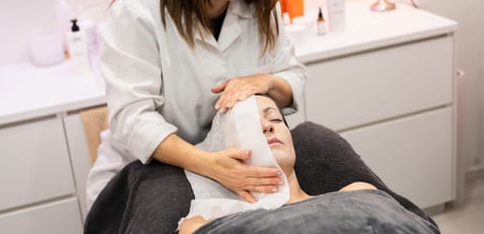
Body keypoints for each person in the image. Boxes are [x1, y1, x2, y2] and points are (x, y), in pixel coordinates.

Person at [86, 0, 307, 209]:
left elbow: (294, 76)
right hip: (149, 174)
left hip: (239, 174)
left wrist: (267, 82)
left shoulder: (260, 6)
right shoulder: (138, 12)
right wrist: (210, 164)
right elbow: (132, 120)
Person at [179, 95, 440, 234]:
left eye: (276, 119)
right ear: (225, 151)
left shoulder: (357, 191)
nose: (269, 125)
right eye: (249, 124)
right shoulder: (206, 221)